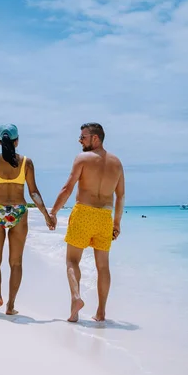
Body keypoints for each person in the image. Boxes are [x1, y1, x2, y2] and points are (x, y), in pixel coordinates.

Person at [0, 124, 53, 315]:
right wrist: (46, 215)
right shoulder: (27, 162)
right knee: (16, 263)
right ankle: (10, 306)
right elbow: (34, 193)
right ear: (17, 141)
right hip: (19, 211)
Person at [50, 123, 125, 323]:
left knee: (72, 261)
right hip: (104, 218)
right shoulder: (117, 163)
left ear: (95, 138)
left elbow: (67, 188)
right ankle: (101, 312)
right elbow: (121, 196)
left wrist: (53, 212)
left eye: (83, 137)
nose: (80, 140)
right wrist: (116, 223)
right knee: (103, 266)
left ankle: (76, 299)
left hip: (84, 213)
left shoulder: (82, 159)